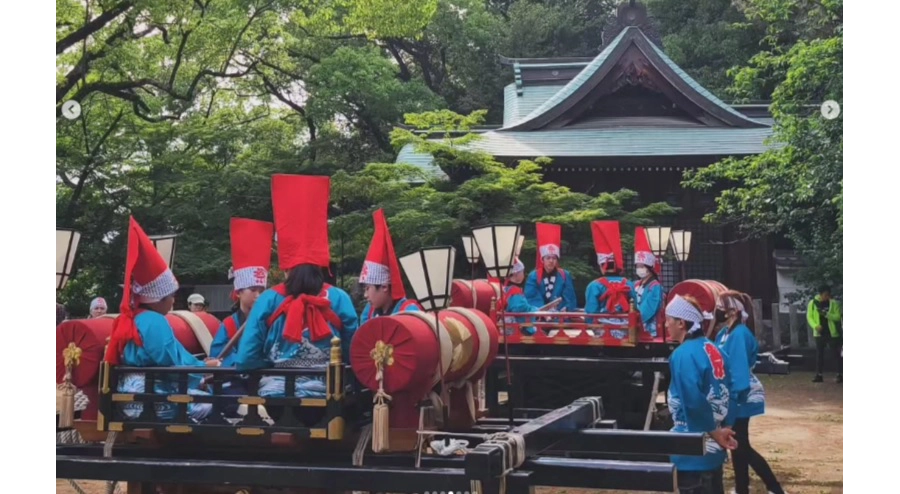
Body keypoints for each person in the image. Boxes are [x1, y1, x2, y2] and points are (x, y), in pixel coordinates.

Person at [233, 174, 358, 400]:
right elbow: (353, 351)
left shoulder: (269, 299)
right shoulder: (339, 298)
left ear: (285, 266)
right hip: (331, 394)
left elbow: (246, 359)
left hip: (277, 394)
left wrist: (271, 364)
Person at [103, 216, 217, 422]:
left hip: (131, 394)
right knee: (213, 403)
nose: (173, 301)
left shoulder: (133, 318)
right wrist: (204, 369)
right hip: (150, 397)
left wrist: (201, 366)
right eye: (171, 296)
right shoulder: (153, 321)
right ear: (158, 299)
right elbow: (169, 361)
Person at [665, 294, 737, 494]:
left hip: (692, 449)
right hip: (715, 450)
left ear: (681, 323)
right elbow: (732, 391)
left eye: (668, 319)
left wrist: (714, 433)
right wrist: (726, 428)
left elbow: (693, 401)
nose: (666, 324)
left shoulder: (682, 354)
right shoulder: (716, 349)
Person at [715, 291, 786, 494]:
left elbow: (738, 370)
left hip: (740, 395)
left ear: (733, 311)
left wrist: (733, 399)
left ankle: (774, 488)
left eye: (721, 306)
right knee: (739, 444)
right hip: (732, 394)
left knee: (741, 446)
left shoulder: (739, 334)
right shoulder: (725, 332)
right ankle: (743, 488)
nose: (717, 310)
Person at [210, 218, 274, 366]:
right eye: (253, 290)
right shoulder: (229, 324)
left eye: (261, 291)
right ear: (238, 292)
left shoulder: (271, 321)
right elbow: (217, 356)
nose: (258, 295)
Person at [358, 209, 422, 325]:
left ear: (384, 286)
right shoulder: (369, 312)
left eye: (368, 288)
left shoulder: (409, 312)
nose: (365, 295)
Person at [584, 220, 632, 339]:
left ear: (601, 266)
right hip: (626, 330)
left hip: (602, 331)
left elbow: (591, 312)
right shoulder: (629, 284)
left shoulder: (594, 285)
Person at [524, 222, 577, 312]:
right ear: (542, 260)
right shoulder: (534, 276)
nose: (551, 261)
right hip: (540, 314)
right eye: (548, 258)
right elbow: (531, 296)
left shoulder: (564, 275)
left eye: (554, 258)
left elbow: (570, 296)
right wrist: (544, 311)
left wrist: (567, 307)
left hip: (560, 314)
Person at [806, 285, 844, 383]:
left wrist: (827, 314)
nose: (826, 297)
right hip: (819, 332)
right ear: (820, 294)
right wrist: (815, 326)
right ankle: (819, 374)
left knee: (836, 353)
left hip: (832, 332)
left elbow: (838, 317)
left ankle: (840, 374)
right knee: (820, 354)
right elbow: (809, 317)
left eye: (828, 295)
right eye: (824, 295)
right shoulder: (813, 303)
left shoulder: (834, 303)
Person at [632, 227, 664, 338]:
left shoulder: (655, 287)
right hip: (634, 323)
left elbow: (648, 309)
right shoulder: (635, 284)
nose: (639, 268)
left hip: (648, 327)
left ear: (650, 268)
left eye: (642, 266)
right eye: (637, 266)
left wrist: (635, 320)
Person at [499, 257, 544, 336]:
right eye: (522, 272)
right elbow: (520, 308)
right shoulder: (514, 290)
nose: (523, 274)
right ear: (516, 274)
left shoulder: (505, 288)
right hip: (519, 327)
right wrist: (535, 310)